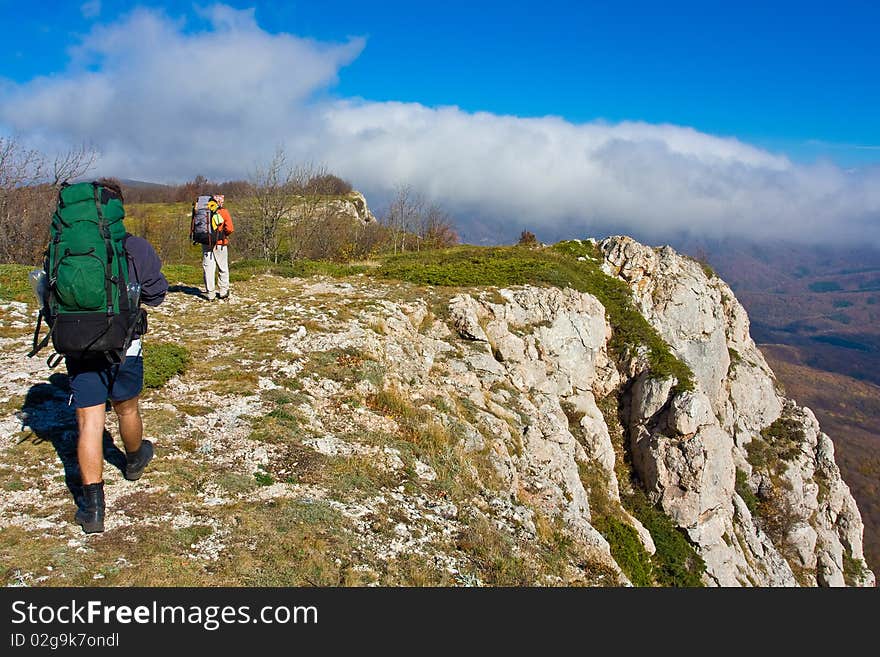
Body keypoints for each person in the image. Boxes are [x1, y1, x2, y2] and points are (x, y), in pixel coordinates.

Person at [67, 179, 169, 533]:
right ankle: (134, 460)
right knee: (126, 407)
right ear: (117, 210)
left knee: (89, 422)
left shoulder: (65, 247)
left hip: (78, 344)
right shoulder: (135, 247)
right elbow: (157, 295)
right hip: (126, 344)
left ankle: (93, 510)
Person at [202, 194, 234, 301]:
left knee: (208, 268)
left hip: (206, 243)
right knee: (223, 267)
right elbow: (230, 228)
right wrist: (223, 234)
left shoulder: (204, 212)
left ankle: (210, 294)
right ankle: (223, 291)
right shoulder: (223, 212)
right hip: (220, 244)